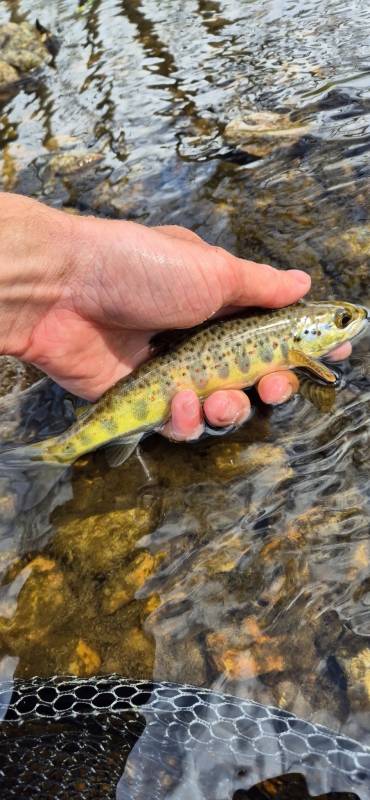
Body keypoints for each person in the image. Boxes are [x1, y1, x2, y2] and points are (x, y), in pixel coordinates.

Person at [0, 193, 350, 441]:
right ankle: (59, 452)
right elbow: (328, 378)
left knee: (218, 406)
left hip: (152, 366)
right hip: (160, 368)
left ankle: (67, 447)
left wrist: (58, 279)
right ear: (307, 334)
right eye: (341, 321)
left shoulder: (300, 349)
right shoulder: (304, 355)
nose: (354, 320)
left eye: (342, 320)